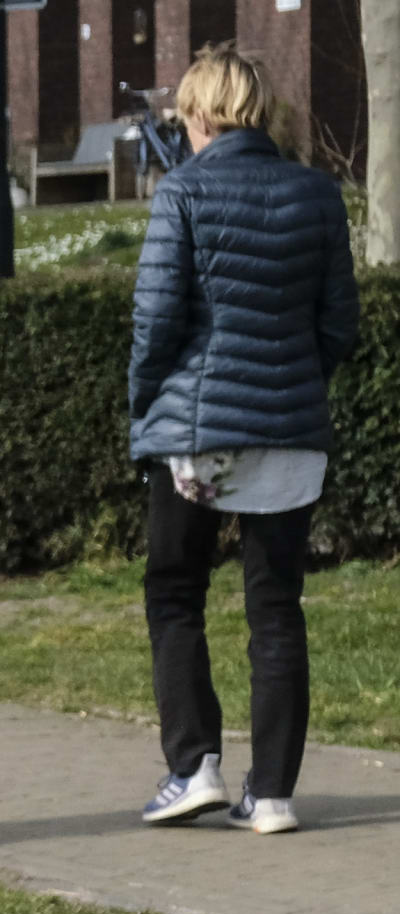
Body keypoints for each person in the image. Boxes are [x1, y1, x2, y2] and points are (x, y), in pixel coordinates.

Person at [128, 44, 359, 834]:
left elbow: (158, 320)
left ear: (198, 114)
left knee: (174, 593)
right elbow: (339, 325)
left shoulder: (182, 194)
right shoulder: (317, 195)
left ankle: (193, 766)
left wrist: (144, 403)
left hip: (196, 431)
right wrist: (296, 381)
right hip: (290, 430)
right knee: (276, 606)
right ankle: (273, 794)